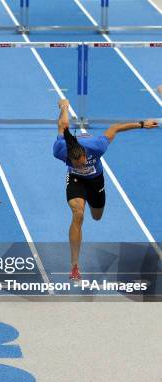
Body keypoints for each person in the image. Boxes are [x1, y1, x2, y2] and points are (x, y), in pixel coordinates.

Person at [53, 99, 158, 280]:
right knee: (78, 214)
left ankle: (94, 205)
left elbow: (115, 128)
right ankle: (75, 267)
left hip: (95, 181)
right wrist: (63, 108)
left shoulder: (97, 146)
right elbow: (62, 126)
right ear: (69, 158)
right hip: (76, 180)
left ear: (86, 154)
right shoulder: (60, 150)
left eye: (84, 161)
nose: (82, 164)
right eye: (77, 163)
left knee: (97, 216)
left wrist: (142, 124)